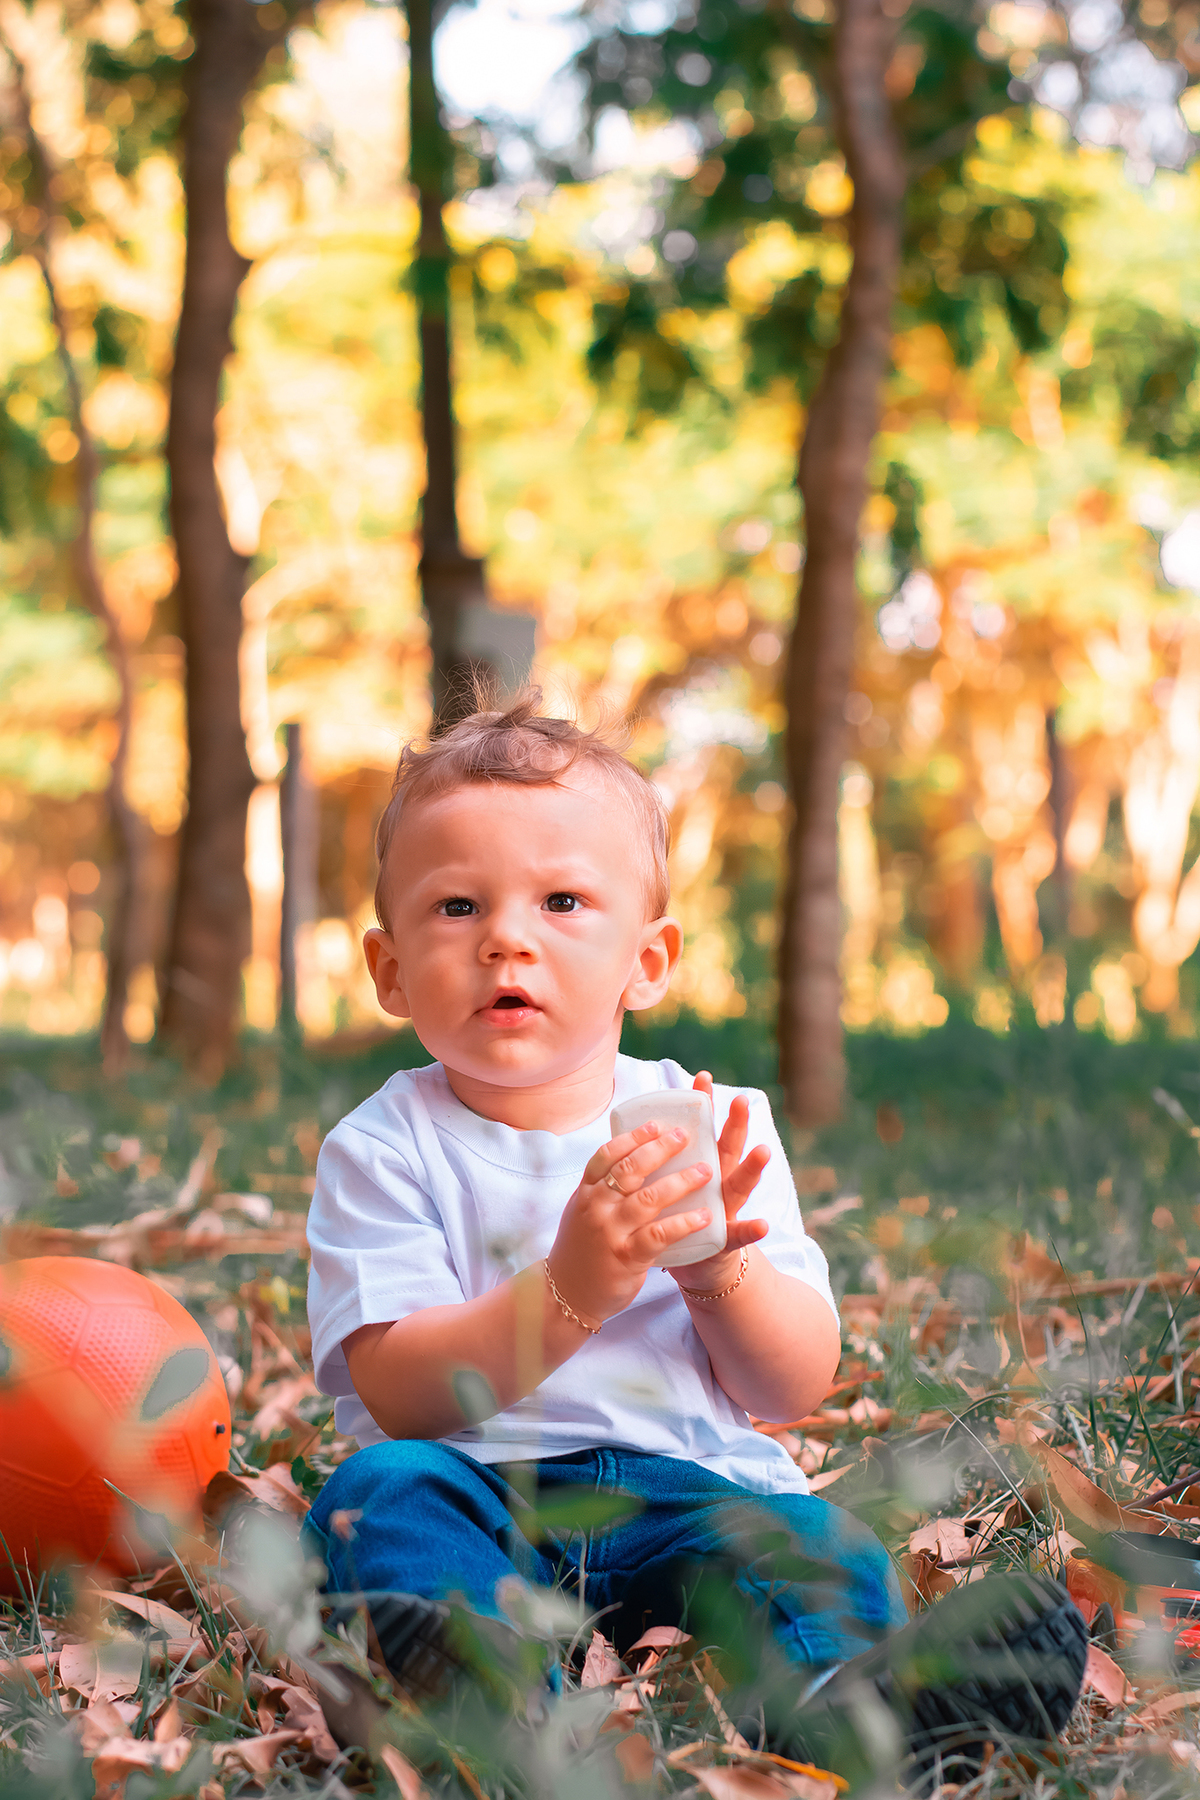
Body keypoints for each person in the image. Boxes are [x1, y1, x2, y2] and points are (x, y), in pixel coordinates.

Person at [303, 695, 1086, 1786]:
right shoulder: (382, 1146)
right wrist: (569, 1292)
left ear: (648, 959)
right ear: (390, 971)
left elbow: (791, 1384)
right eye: (457, 905)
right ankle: (480, 1693)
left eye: (562, 900)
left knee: (810, 1540)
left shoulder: (711, 1125)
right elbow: (400, 1394)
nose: (506, 938)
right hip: (476, 1488)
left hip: (687, 1492)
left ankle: (850, 1704)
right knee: (377, 1497)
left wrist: (720, 1268)